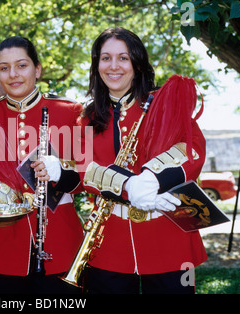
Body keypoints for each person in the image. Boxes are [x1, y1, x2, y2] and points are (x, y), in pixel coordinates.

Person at [76, 27, 207, 294]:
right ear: (96, 64)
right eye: (105, 58)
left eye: (123, 58)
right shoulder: (86, 117)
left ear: (137, 63)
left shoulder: (164, 103)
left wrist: (152, 178)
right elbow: (83, 169)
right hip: (109, 239)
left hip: (169, 234)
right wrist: (128, 186)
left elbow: (193, 149)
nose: (114, 66)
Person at [0, 36, 84, 294]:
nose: (13, 74)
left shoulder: (70, 111)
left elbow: (84, 179)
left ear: (37, 69)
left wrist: (61, 173)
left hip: (60, 243)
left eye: (22, 65)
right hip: (0, 249)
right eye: (4, 68)